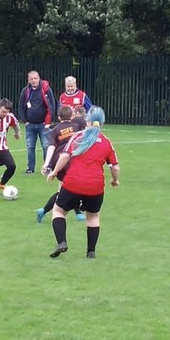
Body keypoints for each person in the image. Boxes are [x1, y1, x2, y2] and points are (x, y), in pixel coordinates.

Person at [46, 107, 119, 259]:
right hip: (95, 187)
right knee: (93, 217)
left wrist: (54, 172)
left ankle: (62, 242)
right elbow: (114, 166)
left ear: (87, 121)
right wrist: (114, 180)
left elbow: (65, 156)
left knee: (59, 211)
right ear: (103, 123)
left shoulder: (77, 137)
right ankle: (90, 252)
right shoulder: (106, 141)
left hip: (73, 182)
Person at [36, 105, 87, 224]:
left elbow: (51, 147)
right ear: (72, 116)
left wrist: (46, 163)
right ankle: (45, 211)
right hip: (71, 161)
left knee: (66, 190)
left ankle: (77, 212)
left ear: (59, 117)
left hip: (58, 162)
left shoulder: (55, 130)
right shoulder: (77, 126)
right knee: (68, 190)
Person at [19, 71, 57, 173]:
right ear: (28, 80)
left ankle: (47, 167)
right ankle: (30, 168)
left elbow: (52, 104)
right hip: (30, 124)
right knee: (30, 147)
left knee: (46, 146)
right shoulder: (25, 91)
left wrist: (49, 121)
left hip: (43, 124)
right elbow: (20, 106)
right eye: (31, 79)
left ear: (39, 78)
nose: (34, 80)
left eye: (35, 78)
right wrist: (25, 120)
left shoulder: (46, 89)